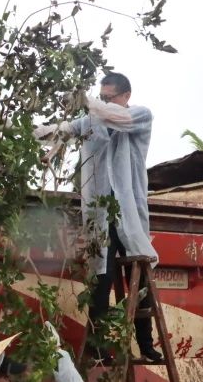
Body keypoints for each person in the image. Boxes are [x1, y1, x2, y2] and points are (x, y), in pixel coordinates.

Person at [34, 73, 162, 363]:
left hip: (129, 214)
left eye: (109, 97)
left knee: (139, 284)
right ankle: (98, 346)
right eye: (101, 96)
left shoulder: (140, 116)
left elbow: (112, 116)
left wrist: (89, 102)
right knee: (101, 282)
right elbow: (62, 130)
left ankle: (146, 344)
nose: (103, 102)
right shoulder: (94, 121)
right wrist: (29, 132)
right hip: (101, 216)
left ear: (126, 96)